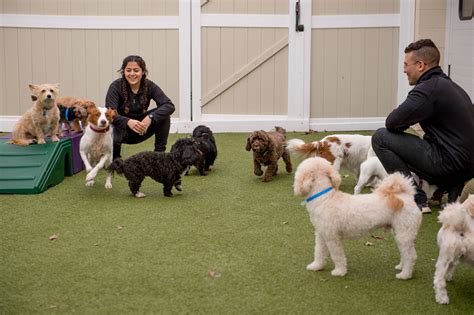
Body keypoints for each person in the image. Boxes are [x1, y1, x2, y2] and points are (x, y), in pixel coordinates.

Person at [372, 39, 474, 210]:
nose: (404, 70)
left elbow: (392, 122)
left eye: (406, 65)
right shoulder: (451, 86)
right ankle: (451, 188)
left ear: (420, 65)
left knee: (381, 138)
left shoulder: (428, 88)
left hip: (450, 164)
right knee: (429, 140)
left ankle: (415, 198)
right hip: (467, 167)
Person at [106, 55, 175, 159]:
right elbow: (110, 114)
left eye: (136, 70)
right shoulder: (115, 87)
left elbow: (169, 105)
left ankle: (159, 155)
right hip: (122, 130)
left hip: (142, 127)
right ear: (123, 72)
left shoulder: (149, 86)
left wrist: (150, 117)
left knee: (164, 116)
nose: (132, 74)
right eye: (128, 70)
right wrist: (128, 121)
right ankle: (115, 158)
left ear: (142, 72)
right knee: (112, 129)